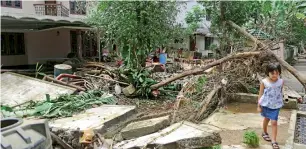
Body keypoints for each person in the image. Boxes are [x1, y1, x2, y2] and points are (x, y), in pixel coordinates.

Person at [257, 63, 283, 149]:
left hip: (276, 105)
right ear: (268, 72)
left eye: (277, 73)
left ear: (279, 73)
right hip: (266, 104)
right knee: (266, 118)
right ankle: (264, 132)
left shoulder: (281, 81)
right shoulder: (264, 82)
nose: (275, 75)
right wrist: (259, 105)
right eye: (272, 73)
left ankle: (274, 141)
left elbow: (280, 92)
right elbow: (261, 94)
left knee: (274, 122)